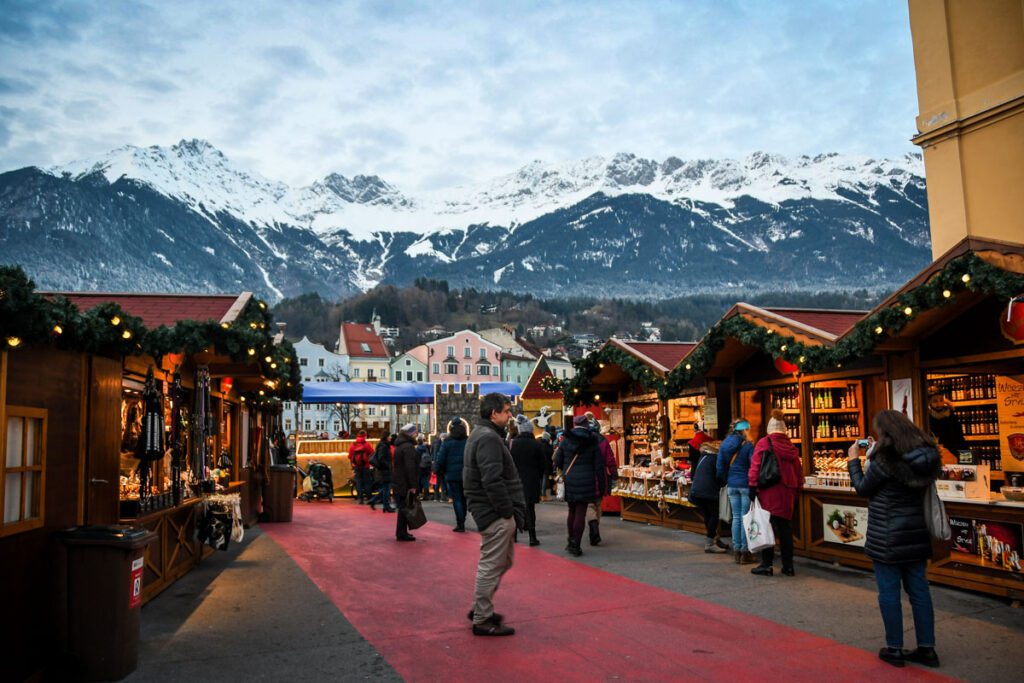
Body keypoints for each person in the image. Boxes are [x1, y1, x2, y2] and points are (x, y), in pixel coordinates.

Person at [848, 410, 942, 669]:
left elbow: (862, 488)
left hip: (887, 535)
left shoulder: (885, 459)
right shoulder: (927, 454)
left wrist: (854, 460)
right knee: (920, 591)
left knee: (889, 592)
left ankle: (895, 648)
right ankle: (927, 648)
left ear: (886, 432)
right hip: (916, 533)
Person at [464, 393, 525, 636]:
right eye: (507, 411)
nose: (509, 415)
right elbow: (492, 480)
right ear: (494, 413)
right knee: (491, 564)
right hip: (493, 512)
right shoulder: (488, 438)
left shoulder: (482, 434)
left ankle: (480, 608)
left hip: (489, 509)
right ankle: (482, 618)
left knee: (503, 561)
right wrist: (506, 511)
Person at [748, 410, 803, 576]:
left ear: (769, 428)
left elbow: (756, 466)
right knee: (786, 530)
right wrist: (798, 488)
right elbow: (798, 470)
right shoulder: (791, 446)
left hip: (769, 491)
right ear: (784, 429)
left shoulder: (764, 443)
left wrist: (752, 486)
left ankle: (767, 564)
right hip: (788, 491)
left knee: (767, 527)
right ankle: (788, 566)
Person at [554, 415, 606, 557]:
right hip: (586, 480)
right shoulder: (592, 441)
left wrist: (564, 468)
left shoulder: (566, 440)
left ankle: (571, 540)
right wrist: (602, 487)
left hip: (570, 480)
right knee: (581, 512)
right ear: (586, 425)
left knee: (572, 510)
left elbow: (557, 461)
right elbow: (599, 466)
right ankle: (576, 543)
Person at [717, 419, 753, 558]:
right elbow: (753, 466)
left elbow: (720, 467)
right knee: (745, 518)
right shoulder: (748, 445)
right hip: (745, 484)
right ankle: (745, 551)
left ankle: (736, 550)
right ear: (744, 430)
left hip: (732, 485)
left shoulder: (724, 444)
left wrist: (725, 480)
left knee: (736, 518)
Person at [688, 430, 728, 554]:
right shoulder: (716, 458)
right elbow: (720, 475)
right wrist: (723, 483)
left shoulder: (703, 456)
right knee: (714, 515)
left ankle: (714, 539)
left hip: (697, 490)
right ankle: (710, 543)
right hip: (708, 491)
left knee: (708, 515)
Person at [510, 414, 546, 546]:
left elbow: (509, 464)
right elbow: (543, 465)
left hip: (516, 481)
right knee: (530, 509)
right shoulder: (536, 444)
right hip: (531, 480)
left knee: (516, 509)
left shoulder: (513, 444)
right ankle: (532, 537)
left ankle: (513, 536)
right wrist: (539, 476)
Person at [586, 419, 618, 546]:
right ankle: (595, 527)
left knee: (589, 504)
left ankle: (593, 528)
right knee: (598, 503)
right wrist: (614, 474)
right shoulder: (603, 440)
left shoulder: (584, 441)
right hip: (600, 476)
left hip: (587, 475)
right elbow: (610, 459)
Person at [436, 419, 469, 531]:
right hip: (466, 474)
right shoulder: (467, 440)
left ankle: (460, 523)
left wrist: (438, 470)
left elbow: (440, 458)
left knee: (457, 498)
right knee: (464, 498)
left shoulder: (447, 441)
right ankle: (463, 517)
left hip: (452, 474)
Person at [392, 424, 420, 542]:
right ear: (411, 433)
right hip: (405, 481)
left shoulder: (400, 445)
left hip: (399, 480)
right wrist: (413, 485)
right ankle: (401, 533)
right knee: (404, 508)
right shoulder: (408, 447)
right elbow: (410, 467)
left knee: (403, 507)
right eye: (415, 432)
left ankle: (401, 532)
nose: (416, 434)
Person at [927, 387, 965, 460]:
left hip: (953, 455)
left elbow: (960, 438)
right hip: (935, 456)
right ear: (930, 403)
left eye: (941, 400)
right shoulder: (927, 418)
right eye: (935, 401)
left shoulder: (952, 416)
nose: (939, 404)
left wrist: (964, 459)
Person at [368, 434, 396, 512]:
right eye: (389, 436)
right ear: (386, 437)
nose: (390, 438)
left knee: (386, 488)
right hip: (384, 470)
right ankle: (386, 506)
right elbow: (381, 458)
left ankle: (375, 501)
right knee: (387, 488)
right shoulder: (384, 446)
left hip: (384, 470)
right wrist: (387, 466)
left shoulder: (384, 445)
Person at [348, 430, 375, 503]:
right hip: (365, 465)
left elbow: (350, 456)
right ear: (365, 436)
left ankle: (360, 498)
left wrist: (354, 463)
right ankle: (369, 497)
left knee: (358, 482)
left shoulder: (353, 444)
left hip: (356, 466)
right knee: (367, 481)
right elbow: (372, 453)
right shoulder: (366, 444)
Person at [537, 431, 555, 499]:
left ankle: (539, 494)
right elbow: (551, 454)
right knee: (544, 479)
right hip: (546, 464)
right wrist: (550, 445)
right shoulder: (547, 445)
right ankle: (543, 495)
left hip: (539, 464)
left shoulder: (539, 443)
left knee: (540, 480)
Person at [416, 434, 432, 500]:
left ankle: (420, 494)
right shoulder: (427, 448)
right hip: (427, 467)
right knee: (426, 481)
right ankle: (426, 495)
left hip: (419, 467)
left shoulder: (417, 449)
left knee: (419, 481)